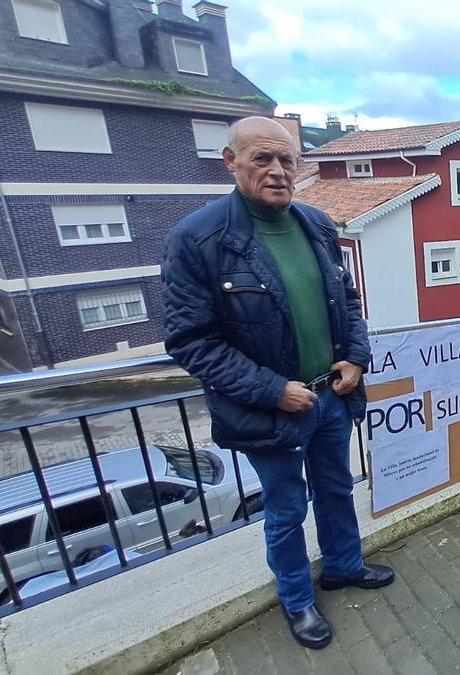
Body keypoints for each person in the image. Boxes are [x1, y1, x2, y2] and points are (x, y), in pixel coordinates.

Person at [162, 117, 394, 651]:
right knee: (287, 510)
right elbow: (192, 342)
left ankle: (342, 566)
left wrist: (355, 358)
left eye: (286, 160)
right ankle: (297, 600)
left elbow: (349, 303)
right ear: (231, 162)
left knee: (337, 490)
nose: (276, 171)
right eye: (261, 159)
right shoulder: (199, 239)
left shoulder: (317, 224)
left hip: (331, 397)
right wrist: (272, 390)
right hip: (272, 410)